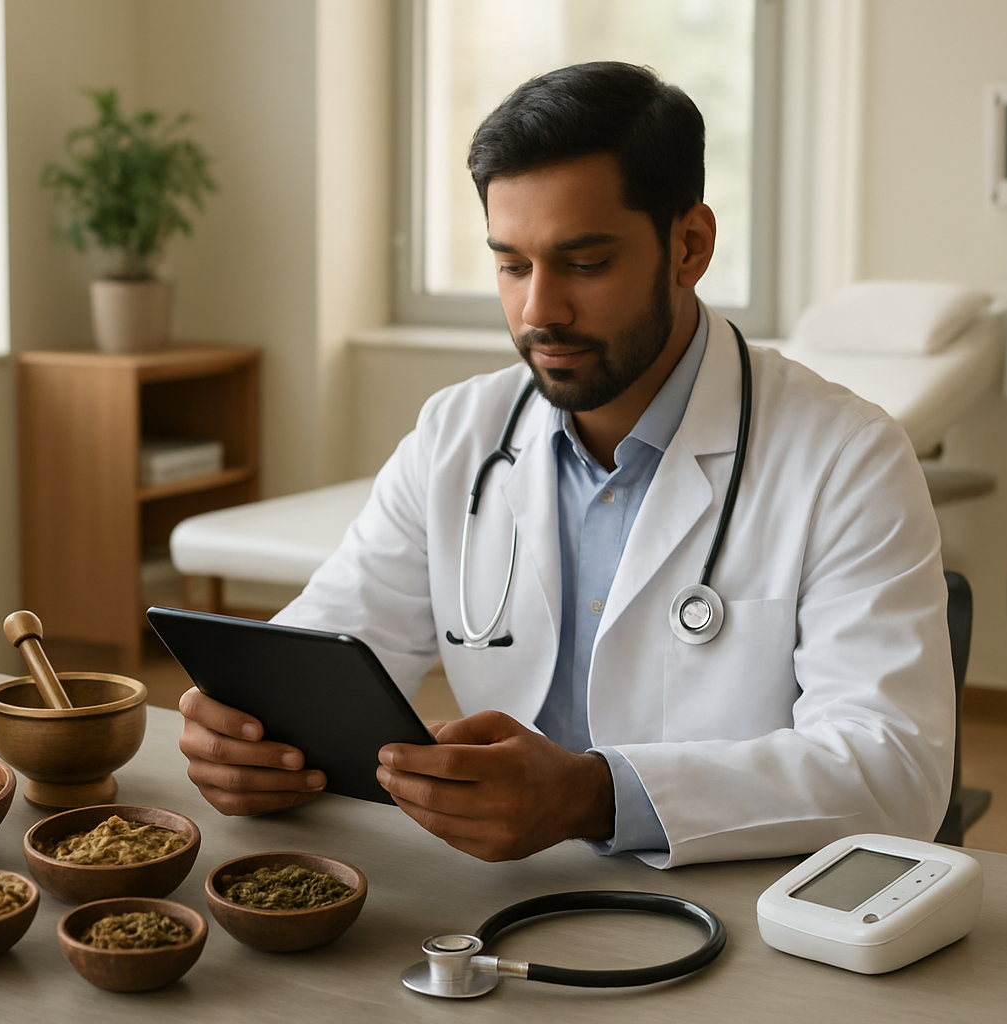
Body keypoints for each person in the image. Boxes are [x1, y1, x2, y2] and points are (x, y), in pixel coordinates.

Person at [178, 62, 954, 869]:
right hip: (495, 896)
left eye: (584, 264)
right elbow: (325, 651)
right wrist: (248, 733)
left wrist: (594, 794)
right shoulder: (458, 435)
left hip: (740, 908)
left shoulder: (848, 458)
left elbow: (895, 771)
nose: (538, 311)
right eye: (512, 265)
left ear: (689, 246)